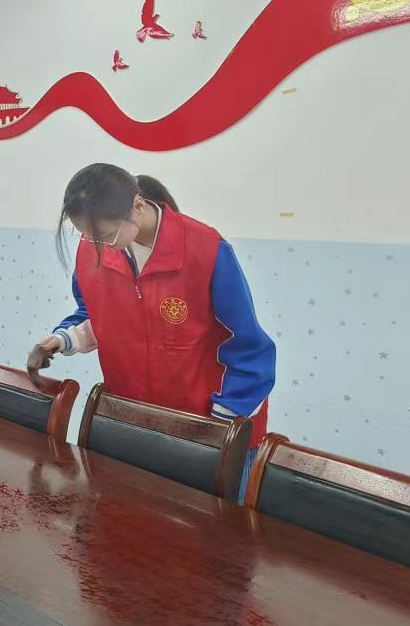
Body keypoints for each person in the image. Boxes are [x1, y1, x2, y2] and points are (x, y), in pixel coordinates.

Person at [28, 164, 275, 485]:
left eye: (107, 235)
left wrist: (222, 423)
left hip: (208, 426)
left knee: (213, 516)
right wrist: (62, 339)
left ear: (138, 207)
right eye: (86, 235)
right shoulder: (95, 247)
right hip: (137, 422)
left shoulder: (206, 249)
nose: (98, 246)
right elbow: (96, 312)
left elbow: (248, 347)